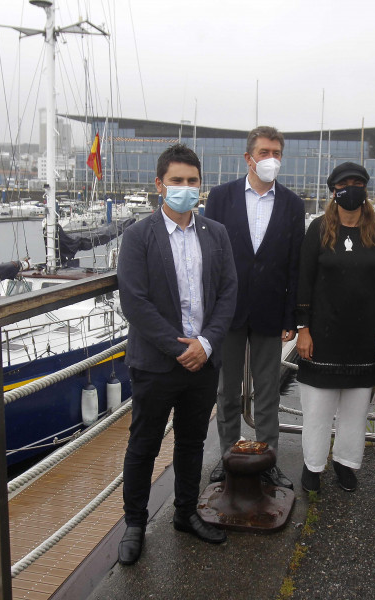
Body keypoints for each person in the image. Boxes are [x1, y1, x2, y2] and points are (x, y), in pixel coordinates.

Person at [116, 144, 238, 565]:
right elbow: (134, 302)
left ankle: (185, 513)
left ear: (200, 186)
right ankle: (135, 523)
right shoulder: (137, 237)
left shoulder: (216, 234)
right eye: (177, 181)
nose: (185, 189)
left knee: (192, 442)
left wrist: (204, 345)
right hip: (155, 364)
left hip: (202, 361)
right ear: (159, 185)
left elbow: (227, 293)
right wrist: (177, 348)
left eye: (192, 181)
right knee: (143, 445)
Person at [204, 126, 305, 489]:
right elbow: (209, 258)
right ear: (248, 157)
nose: (271, 159)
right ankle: (228, 456)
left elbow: (295, 264)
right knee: (227, 390)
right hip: (226, 312)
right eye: (264, 152)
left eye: (276, 152)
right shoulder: (220, 197)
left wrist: (291, 316)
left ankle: (268, 458)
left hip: (270, 311)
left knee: (267, 392)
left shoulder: (293, 204)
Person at [295, 162, 375, 493]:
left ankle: (346, 464)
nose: (351, 188)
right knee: (318, 410)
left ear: (366, 190)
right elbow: (304, 281)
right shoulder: (319, 229)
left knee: (356, 411)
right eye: (344, 183)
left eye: (357, 183)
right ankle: (313, 466)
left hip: (365, 337)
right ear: (333, 190)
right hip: (322, 336)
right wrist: (303, 328)